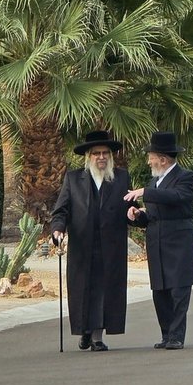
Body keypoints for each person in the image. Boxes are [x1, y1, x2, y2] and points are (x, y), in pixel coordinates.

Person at [50, 130, 133, 352]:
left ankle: (97, 337)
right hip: (82, 247)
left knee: (104, 291)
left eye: (105, 153)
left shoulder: (121, 177)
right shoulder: (73, 178)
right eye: (96, 153)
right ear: (88, 156)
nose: (101, 157)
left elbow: (129, 209)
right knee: (84, 291)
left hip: (111, 247)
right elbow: (61, 211)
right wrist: (58, 231)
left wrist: (136, 214)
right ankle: (85, 332)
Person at [123, 131, 193, 350]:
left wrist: (144, 192)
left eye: (152, 156)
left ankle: (176, 336)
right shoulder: (154, 182)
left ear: (163, 159)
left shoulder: (185, 177)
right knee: (160, 291)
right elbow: (154, 214)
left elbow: (177, 197)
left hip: (179, 241)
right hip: (157, 243)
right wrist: (139, 215)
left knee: (178, 289)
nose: (148, 161)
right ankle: (166, 334)